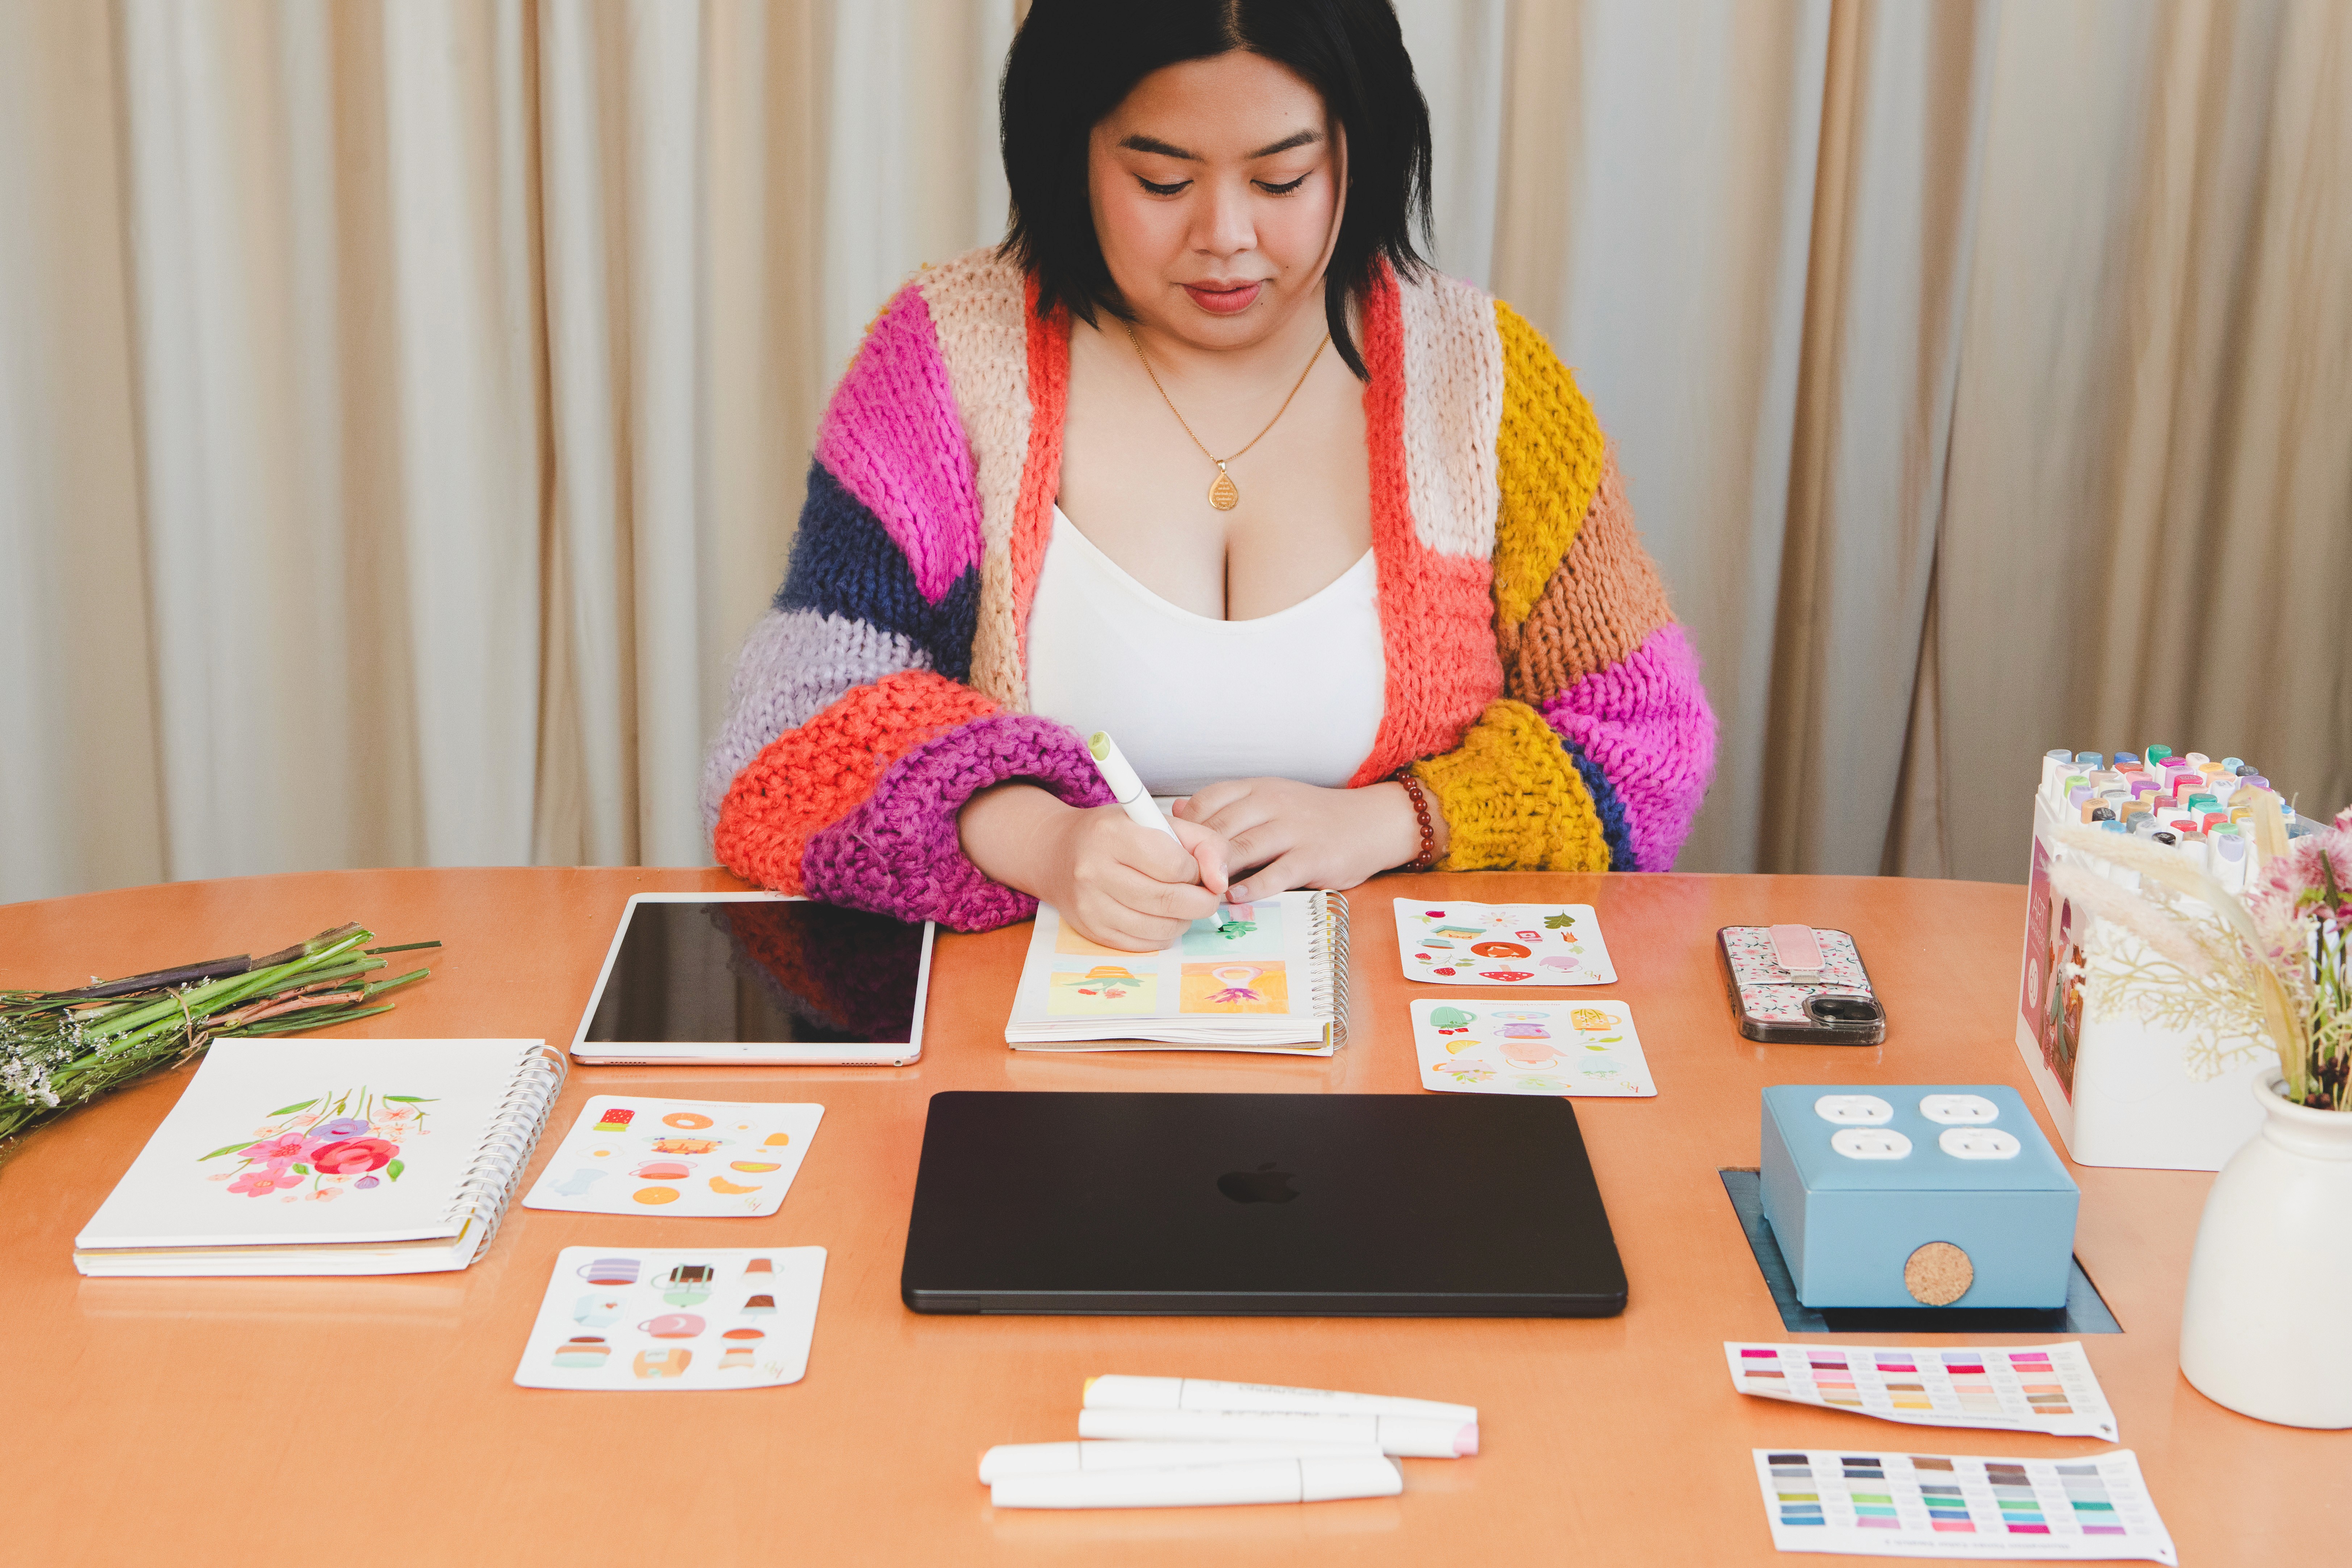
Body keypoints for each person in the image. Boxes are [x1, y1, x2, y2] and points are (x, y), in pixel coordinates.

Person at [703, 0, 1715, 951]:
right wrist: (1043, 842)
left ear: (1360, 152)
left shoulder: (1483, 384)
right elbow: (787, 731)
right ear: (1073, 151)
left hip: (1394, 1051)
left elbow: (1648, 744)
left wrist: (1397, 819)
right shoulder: (948, 359)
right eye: (1162, 182)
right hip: (1024, 1049)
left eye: (1281, 180)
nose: (1226, 236)